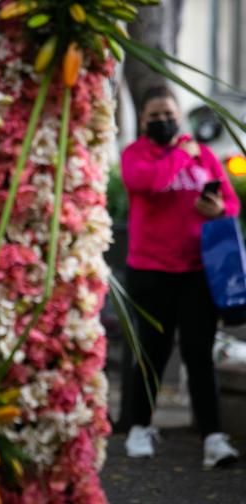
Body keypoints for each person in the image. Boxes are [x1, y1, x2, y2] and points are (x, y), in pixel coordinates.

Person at [121, 85, 240, 469]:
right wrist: (179, 155)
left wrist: (218, 207)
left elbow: (230, 203)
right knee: (151, 354)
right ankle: (139, 428)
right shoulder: (135, 156)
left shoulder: (204, 155)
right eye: (154, 117)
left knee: (199, 356)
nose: (162, 121)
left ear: (180, 115)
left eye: (168, 114)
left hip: (197, 273)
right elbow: (150, 183)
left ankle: (214, 438)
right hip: (151, 272)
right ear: (142, 122)